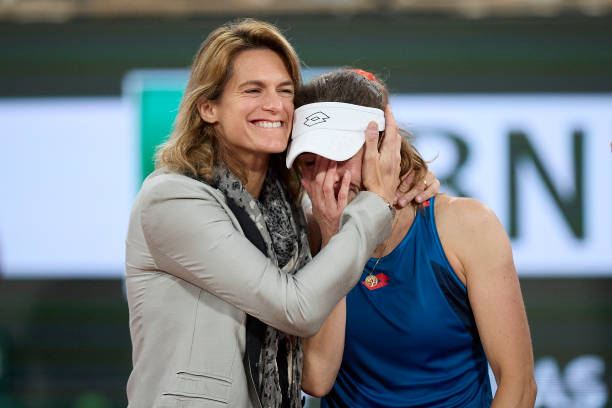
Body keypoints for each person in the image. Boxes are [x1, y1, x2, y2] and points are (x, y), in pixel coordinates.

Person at [125, 20, 438, 408]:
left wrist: (410, 177)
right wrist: (376, 202)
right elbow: (296, 308)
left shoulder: (285, 213)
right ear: (208, 107)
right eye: (252, 90)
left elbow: (318, 378)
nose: (274, 105)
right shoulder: (173, 199)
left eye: (285, 91)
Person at [287, 69, 537, 407]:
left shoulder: (467, 226)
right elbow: (316, 378)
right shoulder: (305, 235)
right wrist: (334, 239)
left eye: (341, 155)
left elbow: (518, 386)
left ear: (387, 145)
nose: (329, 178)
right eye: (310, 162)